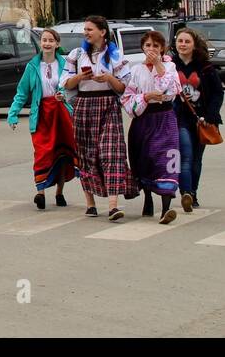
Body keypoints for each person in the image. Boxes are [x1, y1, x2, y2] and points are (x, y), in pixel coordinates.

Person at [62, 15, 135, 220]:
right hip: (84, 104)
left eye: (89, 29)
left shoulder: (115, 55)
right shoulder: (77, 54)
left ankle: (113, 205)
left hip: (108, 104)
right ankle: (90, 203)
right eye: (85, 29)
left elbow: (123, 87)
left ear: (102, 32)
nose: (86, 33)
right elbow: (66, 83)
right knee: (86, 155)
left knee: (111, 153)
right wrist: (80, 77)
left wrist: (109, 78)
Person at [8, 27, 76, 208]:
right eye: (44, 40)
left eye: (50, 41)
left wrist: (64, 95)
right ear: (41, 43)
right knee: (42, 152)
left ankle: (59, 192)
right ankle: (40, 193)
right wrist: (13, 114)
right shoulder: (32, 66)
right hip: (41, 114)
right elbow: (22, 92)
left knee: (61, 153)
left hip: (61, 112)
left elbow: (72, 88)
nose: (47, 43)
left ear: (57, 44)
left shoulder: (65, 64)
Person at [120, 30, 182, 224]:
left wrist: (158, 65)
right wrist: (145, 97)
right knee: (144, 158)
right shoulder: (137, 70)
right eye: (148, 45)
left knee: (167, 158)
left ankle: (166, 208)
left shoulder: (170, 66)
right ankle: (147, 198)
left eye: (156, 46)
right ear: (142, 48)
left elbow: (171, 89)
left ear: (162, 48)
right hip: (144, 120)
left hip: (165, 117)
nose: (151, 49)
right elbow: (127, 97)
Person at [172, 28, 222, 209]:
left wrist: (212, 114)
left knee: (196, 159)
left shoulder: (205, 67)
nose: (183, 44)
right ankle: (185, 192)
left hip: (201, 118)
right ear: (175, 43)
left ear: (194, 45)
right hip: (179, 117)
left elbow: (217, 93)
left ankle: (193, 192)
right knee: (186, 154)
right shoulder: (171, 65)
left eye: (187, 41)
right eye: (180, 41)